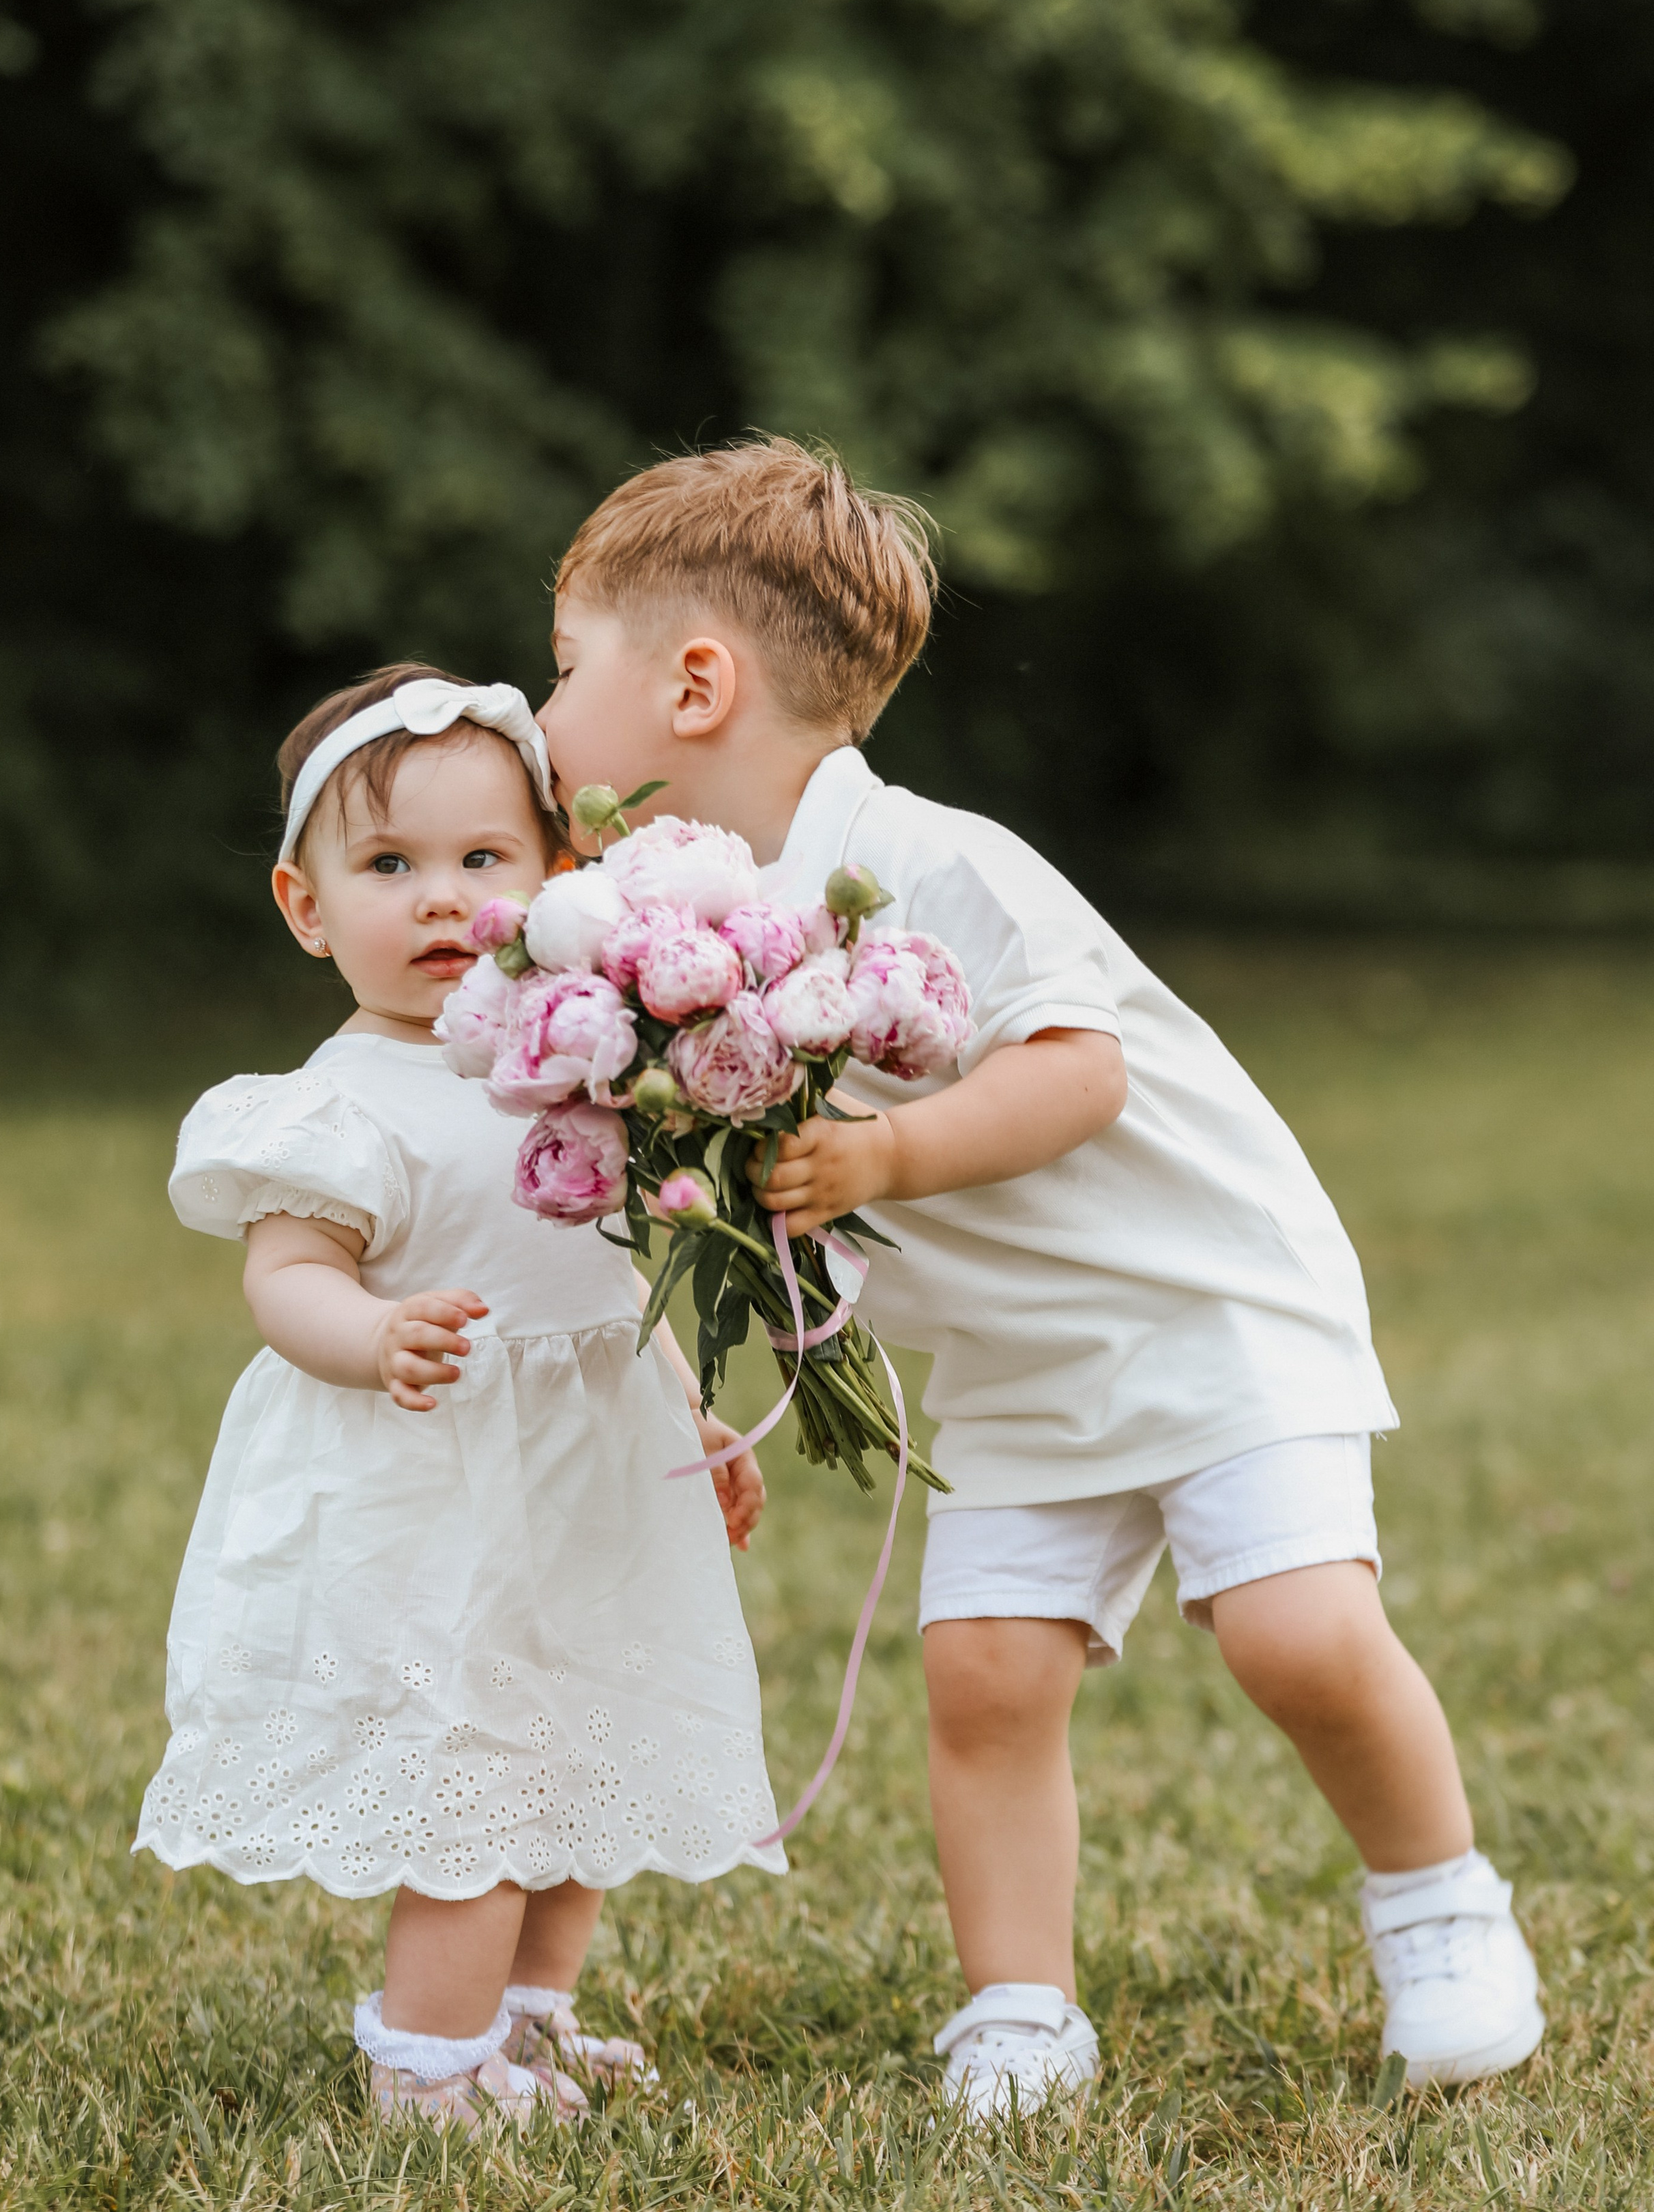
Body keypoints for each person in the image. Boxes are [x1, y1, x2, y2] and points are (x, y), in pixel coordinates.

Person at [533, 440, 1545, 2119]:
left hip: (1212, 1304)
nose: (543, 713)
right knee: (986, 1675)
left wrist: (887, 1159)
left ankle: (1437, 1900)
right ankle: (1017, 2006)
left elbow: (1078, 1072)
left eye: (567, 671)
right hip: (1012, 1362)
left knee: (1294, 1630)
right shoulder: (658, 931)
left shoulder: (935, 861)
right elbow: (686, 1191)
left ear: (695, 682)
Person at [135, 661, 781, 2136]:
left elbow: (613, 1276)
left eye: (482, 859)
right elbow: (286, 1274)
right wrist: (368, 1334)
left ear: (557, 877)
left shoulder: (568, 1070)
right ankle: (427, 2063)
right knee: (476, 1767)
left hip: (585, 1473)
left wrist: (681, 1410)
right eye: (390, 865)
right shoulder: (337, 1101)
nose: (441, 900)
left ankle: (526, 2015)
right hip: (433, 1485)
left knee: (585, 1742)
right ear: (307, 905)